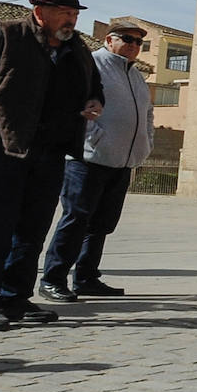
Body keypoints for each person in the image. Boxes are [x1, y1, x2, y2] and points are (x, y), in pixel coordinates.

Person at [0, 0, 104, 331]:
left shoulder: (75, 49)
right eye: (65, 12)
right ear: (39, 12)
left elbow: (94, 86)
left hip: (49, 152)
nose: (72, 19)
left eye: (75, 13)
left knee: (31, 231)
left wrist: (95, 101)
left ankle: (14, 297)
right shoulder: (3, 36)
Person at [38, 22, 154, 301]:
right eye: (127, 39)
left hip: (122, 161)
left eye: (139, 42)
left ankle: (87, 276)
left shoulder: (136, 76)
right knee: (76, 218)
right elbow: (76, 105)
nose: (133, 46)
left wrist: (146, 142)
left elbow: (147, 113)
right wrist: (93, 140)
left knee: (102, 224)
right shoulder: (91, 65)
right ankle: (53, 278)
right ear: (109, 39)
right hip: (88, 160)